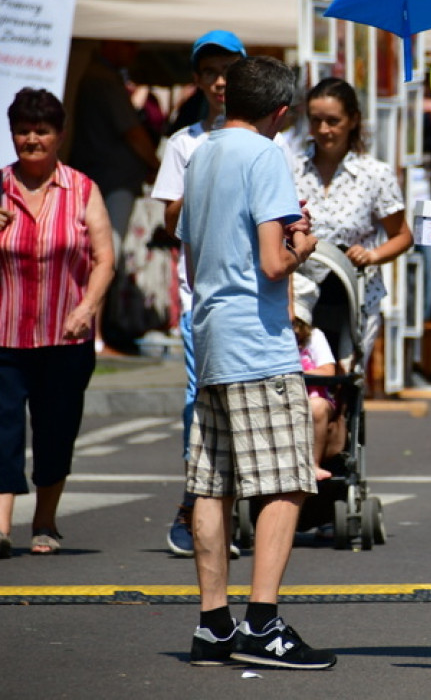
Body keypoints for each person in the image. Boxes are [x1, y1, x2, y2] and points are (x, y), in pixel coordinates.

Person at [177, 55, 332, 669]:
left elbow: (193, 258)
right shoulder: (266, 154)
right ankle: (263, 623)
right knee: (287, 481)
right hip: (257, 341)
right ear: (281, 112)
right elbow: (273, 263)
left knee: (210, 484)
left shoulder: (204, 151)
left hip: (212, 330)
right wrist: (305, 245)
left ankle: (213, 624)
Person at [0, 87, 116, 558]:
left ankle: (45, 521)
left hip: (64, 336)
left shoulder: (83, 189)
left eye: (41, 130)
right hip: (5, 334)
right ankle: (2, 526)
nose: (32, 139)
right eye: (23, 130)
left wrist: (87, 307)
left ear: (59, 135)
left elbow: (105, 258)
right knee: (2, 430)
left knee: (55, 430)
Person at [151, 29, 249, 559]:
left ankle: (227, 510)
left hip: (257, 293)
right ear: (196, 80)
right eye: (208, 72)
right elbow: (170, 218)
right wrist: (206, 181)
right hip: (203, 298)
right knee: (201, 404)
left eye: (227, 71)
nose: (218, 82)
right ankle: (194, 510)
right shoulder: (185, 143)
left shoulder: (264, 139)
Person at [291, 77, 412, 369]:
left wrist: (372, 255)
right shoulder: (291, 168)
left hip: (354, 296)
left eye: (333, 121)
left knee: (344, 387)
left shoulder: (374, 173)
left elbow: (402, 235)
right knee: (305, 384)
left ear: (353, 120)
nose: (323, 130)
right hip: (301, 296)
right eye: (316, 120)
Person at [68, 40, 161, 353]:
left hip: (107, 179)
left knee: (105, 255)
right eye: (128, 43)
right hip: (109, 182)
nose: (134, 50)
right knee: (106, 255)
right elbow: (132, 132)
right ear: (110, 43)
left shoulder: (101, 76)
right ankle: (95, 336)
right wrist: (157, 166)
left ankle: (96, 332)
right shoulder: (103, 79)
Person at [292, 299, 342, 481]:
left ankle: (313, 464)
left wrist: (298, 373)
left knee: (317, 407)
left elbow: (328, 371)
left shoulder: (314, 337)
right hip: (280, 397)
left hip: (313, 395)